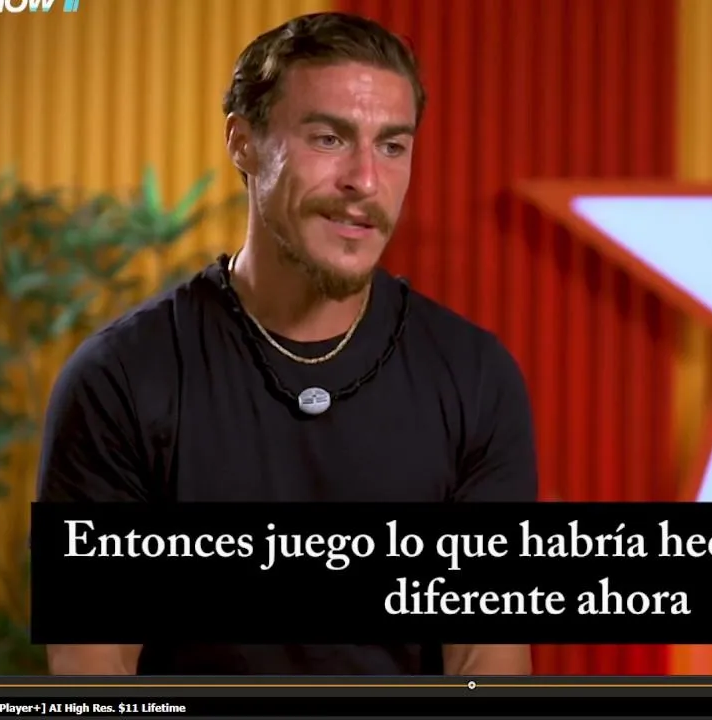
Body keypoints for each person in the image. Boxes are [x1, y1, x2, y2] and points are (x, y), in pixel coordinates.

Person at [36, 12, 538, 676]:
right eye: (329, 138)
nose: (365, 180)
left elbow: (489, 660)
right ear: (244, 143)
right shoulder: (122, 378)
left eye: (393, 146)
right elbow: (92, 665)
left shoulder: (474, 377)